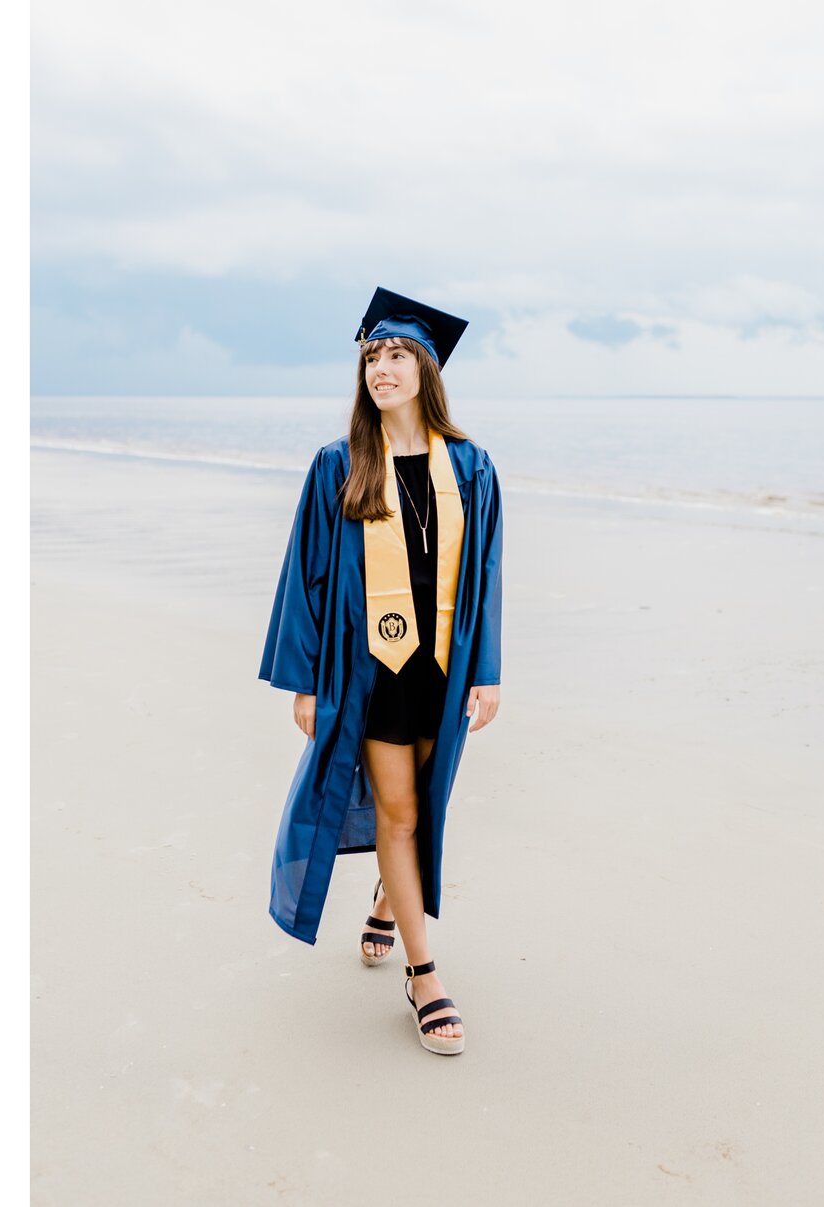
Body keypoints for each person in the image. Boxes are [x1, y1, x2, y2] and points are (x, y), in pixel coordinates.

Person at [261, 287, 504, 1056]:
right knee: (397, 815)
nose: (382, 369)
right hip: (372, 675)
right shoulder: (339, 464)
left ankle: (385, 897)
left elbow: (488, 573)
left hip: (443, 666)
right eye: (373, 356)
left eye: (398, 355)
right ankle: (424, 973)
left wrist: (487, 670)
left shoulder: (471, 466)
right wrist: (306, 679)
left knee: (424, 810)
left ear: (427, 370)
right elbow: (304, 575)